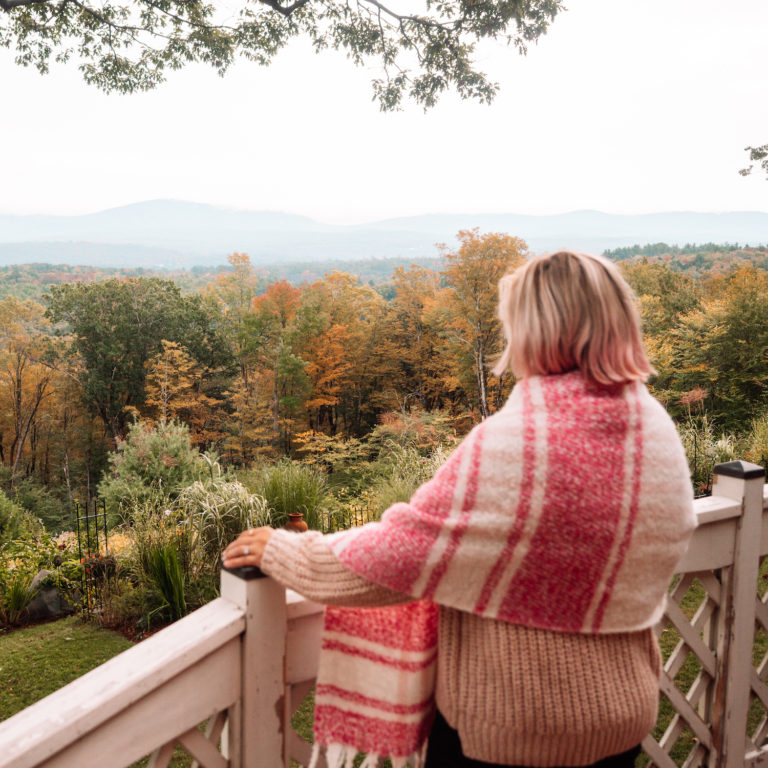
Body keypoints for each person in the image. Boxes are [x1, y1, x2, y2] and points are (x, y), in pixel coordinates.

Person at [222, 250, 696, 768]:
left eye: (512, 324)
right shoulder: (654, 431)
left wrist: (287, 551)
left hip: (513, 729)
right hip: (620, 718)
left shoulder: (517, 444)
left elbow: (396, 559)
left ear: (537, 330)